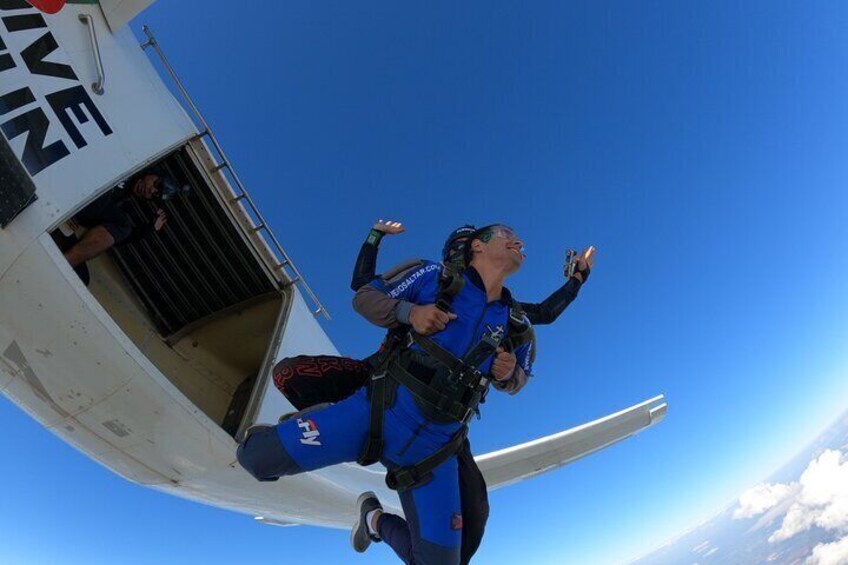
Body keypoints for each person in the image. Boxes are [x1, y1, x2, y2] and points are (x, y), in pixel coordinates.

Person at [271, 219, 595, 564]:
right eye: (459, 249)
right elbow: (363, 287)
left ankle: (374, 519)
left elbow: (541, 316)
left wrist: (510, 372)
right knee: (291, 375)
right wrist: (383, 256)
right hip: (378, 379)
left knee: (466, 541)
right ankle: (324, 425)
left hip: (440, 424)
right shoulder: (431, 282)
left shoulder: (501, 308)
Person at [59, 169, 170, 284]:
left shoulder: (124, 196)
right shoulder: (126, 168)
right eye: (157, 184)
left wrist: (149, 229)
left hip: (69, 214)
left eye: (153, 194)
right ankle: (63, 262)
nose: (150, 190)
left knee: (82, 277)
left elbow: (117, 236)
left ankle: (63, 262)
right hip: (66, 190)